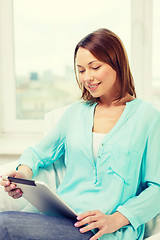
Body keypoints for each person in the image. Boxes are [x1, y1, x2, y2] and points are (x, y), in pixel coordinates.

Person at [0, 28, 160, 240]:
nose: (87, 77)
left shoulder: (147, 117)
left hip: (101, 230)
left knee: (4, 225)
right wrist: (24, 175)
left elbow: (156, 188)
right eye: (81, 70)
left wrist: (116, 219)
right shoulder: (75, 114)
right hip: (57, 217)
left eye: (95, 67)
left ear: (117, 64)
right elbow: (38, 153)